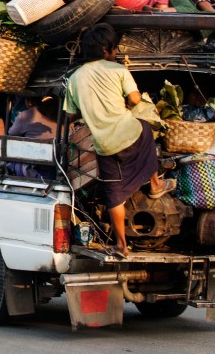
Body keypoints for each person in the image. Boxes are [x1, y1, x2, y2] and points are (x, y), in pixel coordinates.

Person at [63, 24, 175, 257]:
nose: (116, 53)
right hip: (130, 134)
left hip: (104, 146)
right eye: (114, 49)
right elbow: (135, 100)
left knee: (114, 195)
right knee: (145, 128)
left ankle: (121, 245)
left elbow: (70, 114)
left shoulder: (74, 79)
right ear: (106, 49)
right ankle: (155, 184)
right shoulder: (118, 70)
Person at [8, 97, 58, 179]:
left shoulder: (26, 115)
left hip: (39, 162)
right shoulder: (59, 111)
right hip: (57, 159)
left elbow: (11, 134)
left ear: (29, 101)